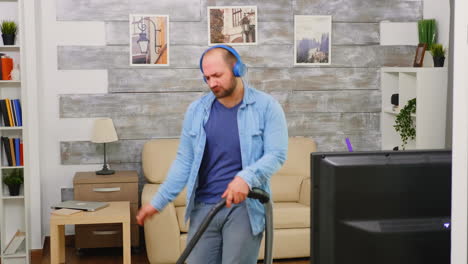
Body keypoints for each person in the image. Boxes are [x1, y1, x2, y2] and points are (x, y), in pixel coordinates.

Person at [136, 45, 288, 264]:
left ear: (237, 69)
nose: (212, 83)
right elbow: (184, 161)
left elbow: (276, 154)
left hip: (244, 208)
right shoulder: (197, 111)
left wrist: (246, 178)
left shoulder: (266, 107)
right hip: (203, 207)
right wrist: (158, 202)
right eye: (207, 78)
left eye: (217, 75)